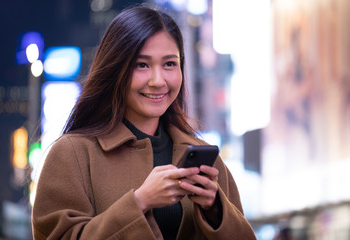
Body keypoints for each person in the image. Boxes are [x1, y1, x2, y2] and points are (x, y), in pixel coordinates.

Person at [32, 5, 256, 240]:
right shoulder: (72, 153)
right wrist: (139, 202)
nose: (158, 81)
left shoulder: (206, 158)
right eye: (142, 65)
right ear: (115, 69)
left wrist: (215, 210)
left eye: (169, 63)